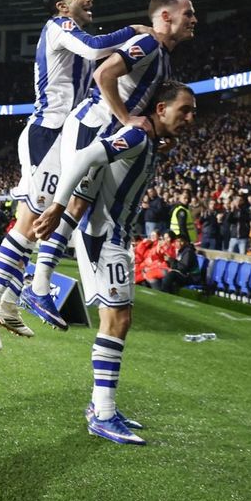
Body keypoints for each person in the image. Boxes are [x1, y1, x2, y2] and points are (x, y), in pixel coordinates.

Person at [0, 0, 148, 349]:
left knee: (32, 224)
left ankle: (9, 305)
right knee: (27, 226)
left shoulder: (74, 31)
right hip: (47, 134)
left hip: (62, 136)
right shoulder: (59, 26)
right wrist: (132, 30)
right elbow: (95, 47)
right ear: (61, 4)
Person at [31, 80, 198, 445]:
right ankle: (103, 412)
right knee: (116, 319)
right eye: (183, 109)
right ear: (160, 109)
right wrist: (58, 205)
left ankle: (101, 406)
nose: (189, 118)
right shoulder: (137, 137)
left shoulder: (149, 141)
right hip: (108, 237)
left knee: (119, 319)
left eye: (193, 113)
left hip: (115, 237)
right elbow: (87, 156)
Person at [21, 0, 198, 327]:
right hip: (95, 121)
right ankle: (39, 285)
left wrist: (151, 134)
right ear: (165, 17)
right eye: (187, 13)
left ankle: (40, 283)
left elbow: (142, 104)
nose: (194, 19)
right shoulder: (148, 45)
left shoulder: (163, 58)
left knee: (80, 205)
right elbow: (105, 74)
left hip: (108, 128)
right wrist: (127, 118)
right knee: (74, 204)